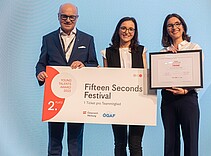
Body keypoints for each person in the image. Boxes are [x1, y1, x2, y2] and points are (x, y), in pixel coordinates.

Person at [35, 3, 98, 156]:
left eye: (72, 17)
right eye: (64, 16)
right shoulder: (48, 39)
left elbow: (94, 63)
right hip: (55, 97)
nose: (68, 20)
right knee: (55, 140)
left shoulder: (87, 39)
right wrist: (40, 72)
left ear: (77, 18)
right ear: (58, 17)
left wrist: (84, 65)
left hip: (78, 98)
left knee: (75, 141)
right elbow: (41, 63)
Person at [101, 17, 147, 156]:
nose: (127, 32)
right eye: (123, 28)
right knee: (120, 143)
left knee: (135, 144)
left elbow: (146, 76)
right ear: (118, 30)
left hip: (138, 104)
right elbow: (106, 80)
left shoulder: (142, 51)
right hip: (116, 104)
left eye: (131, 29)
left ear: (135, 32)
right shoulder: (107, 53)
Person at [160, 13, 202, 156]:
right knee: (170, 143)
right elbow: (159, 78)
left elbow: (198, 75)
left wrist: (185, 91)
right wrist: (168, 57)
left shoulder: (194, 47)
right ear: (166, 30)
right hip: (168, 100)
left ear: (183, 27)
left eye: (177, 24)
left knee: (191, 141)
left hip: (187, 98)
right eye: (170, 25)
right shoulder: (163, 52)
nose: (174, 27)